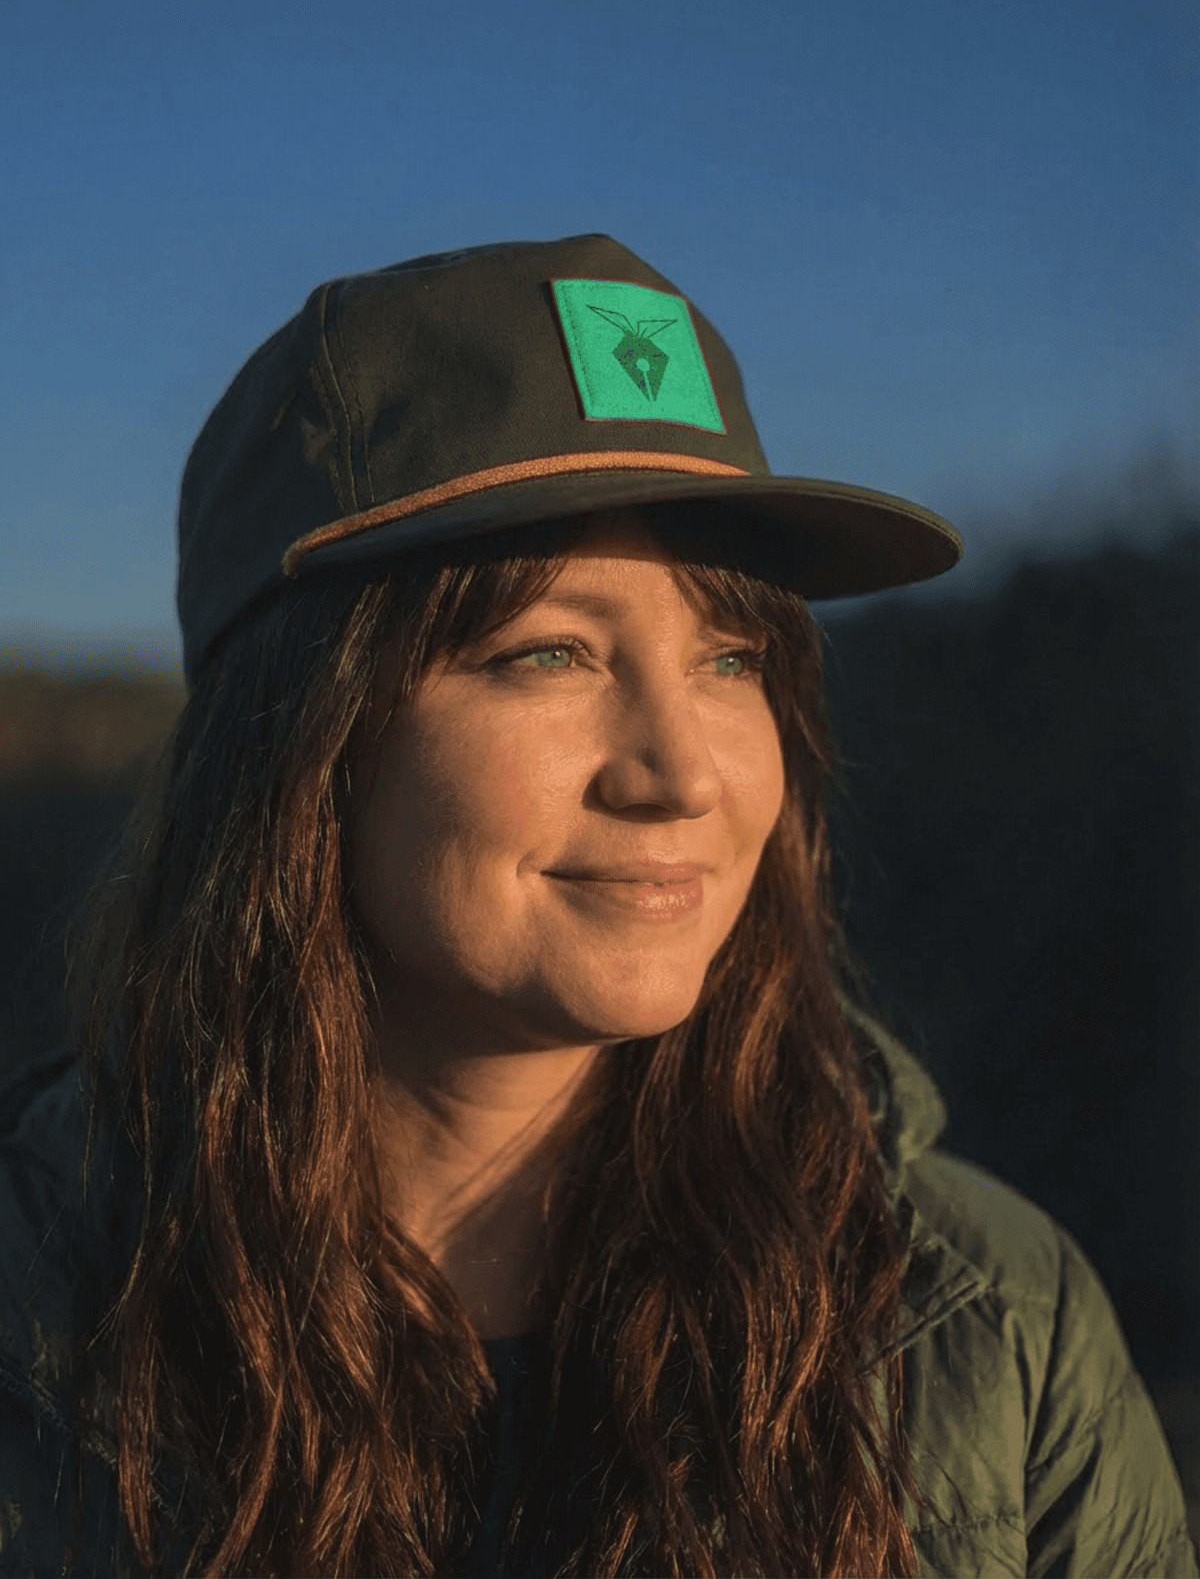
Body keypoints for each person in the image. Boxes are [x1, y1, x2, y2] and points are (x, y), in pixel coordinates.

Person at [0, 234, 1193, 1579]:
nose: (682, 770)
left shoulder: (994, 1328)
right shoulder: (39, 1315)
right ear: (301, 741)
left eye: (729, 654)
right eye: (550, 652)